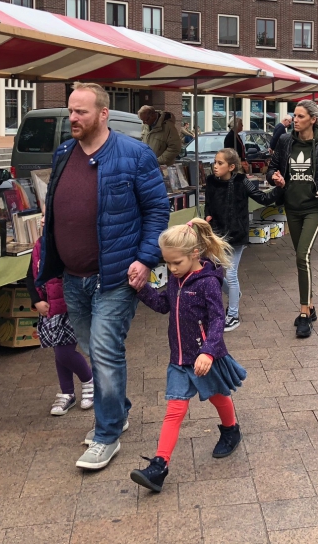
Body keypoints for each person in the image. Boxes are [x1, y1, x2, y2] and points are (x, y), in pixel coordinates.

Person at [37, 82, 170, 471]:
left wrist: (146, 259)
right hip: (72, 276)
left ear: (103, 113)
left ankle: (106, 435)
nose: (73, 119)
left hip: (114, 276)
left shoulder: (135, 155)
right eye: (70, 111)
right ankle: (119, 409)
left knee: (107, 351)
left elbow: (157, 212)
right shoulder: (64, 153)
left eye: (80, 112)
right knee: (95, 351)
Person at [129, 219, 246, 494]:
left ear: (194, 254)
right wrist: (141, 288)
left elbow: (218, 320)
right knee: (175, 410)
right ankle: (159, 466)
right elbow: (162, 306)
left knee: (219, 397)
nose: (171, 269)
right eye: (167, 264)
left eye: (176, 263)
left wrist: (208, 352)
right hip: (179, 361)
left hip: (206, 359)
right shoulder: (174, 278)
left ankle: (231, 430)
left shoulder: (208, 284)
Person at [267, 100, 318, 338]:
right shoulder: (285, 141)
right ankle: (311, 305)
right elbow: (272, 167)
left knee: (302, 255)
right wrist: (275, 177)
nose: (295, 120)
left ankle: (304, 313)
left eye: (300, 116)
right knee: (301, 258)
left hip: (314, 207)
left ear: (312, 119)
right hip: (291, 207)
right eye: (294, 115)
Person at [204, 148, 281, 331]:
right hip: (216, 235)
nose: (215, 166)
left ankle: (233, 315)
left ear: (231, 166)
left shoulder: (242, 181)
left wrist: (280, 188)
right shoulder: (210, 182)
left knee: (230, 275)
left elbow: (262, 198)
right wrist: (208, 218)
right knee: (213, 273)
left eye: (220, 163)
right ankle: (234, 294)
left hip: (236, 235)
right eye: (215, 162)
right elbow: (208, 205)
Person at [27, 236, 93, 416]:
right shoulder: (39, 245)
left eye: (47, 216)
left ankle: (88, 380)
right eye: (41, 216)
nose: (42, 220)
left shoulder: (67, 242)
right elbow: (30, 275)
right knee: (59, 349)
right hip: (49, 308)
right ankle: (67, 392)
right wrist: (37, 300)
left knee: (64, 351)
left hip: (69, 306)